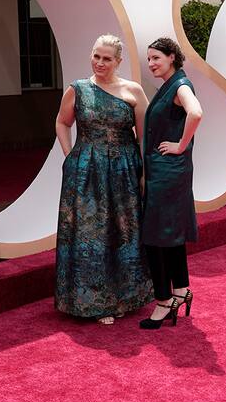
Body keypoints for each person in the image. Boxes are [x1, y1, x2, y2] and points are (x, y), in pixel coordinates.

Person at [54, 35, 153, 324]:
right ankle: (94, 303)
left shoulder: (133, 91)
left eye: (106, 58)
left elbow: (145, 137)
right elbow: (62, 122)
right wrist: (69, 155)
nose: (99, 63)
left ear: (118, 61)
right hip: (86, 171)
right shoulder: (78, 89)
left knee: (123, 231)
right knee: (90, 235)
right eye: (96, 56)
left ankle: (124, 297)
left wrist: (145, 173)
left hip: (124, 170)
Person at [139, 37, 203, 330]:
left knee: (155, 237)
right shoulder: (171, 84)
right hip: (167, 172)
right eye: (149, 59)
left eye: (156, 58)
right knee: (170, 234)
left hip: (168, 173)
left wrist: (180, 144)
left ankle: (164, 301)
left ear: (172, 58)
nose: (151, 64)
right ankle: (181, 291)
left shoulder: (180, 85)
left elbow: (196, 112)